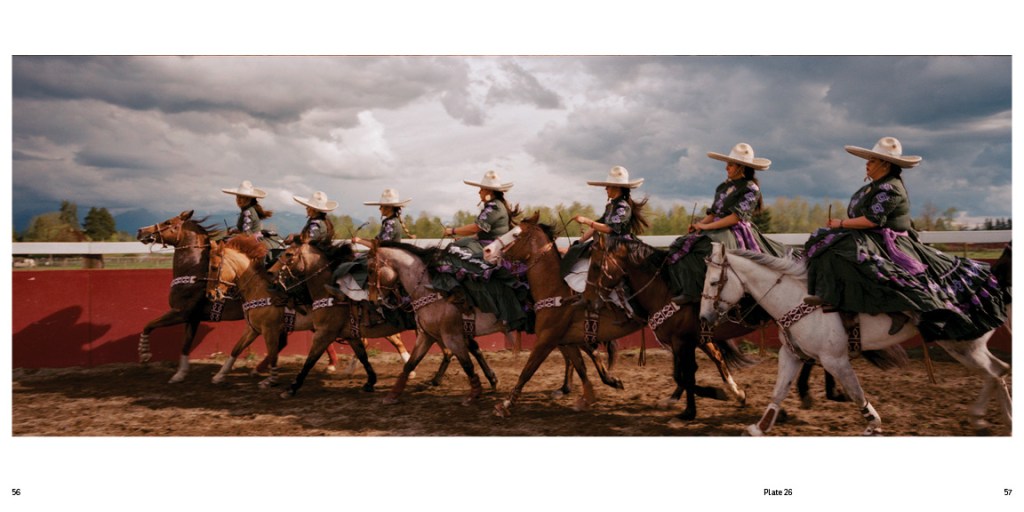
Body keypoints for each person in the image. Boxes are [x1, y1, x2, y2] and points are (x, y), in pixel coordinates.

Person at [803, 137, 1005, 340]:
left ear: (885, 164)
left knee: (840, 247)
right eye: (868, 160)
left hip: (887, 242)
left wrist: (841, 224)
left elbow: (873, 220)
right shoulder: (872, 187)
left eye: (872, 160)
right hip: (870, 237)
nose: (867, 164)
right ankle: (835, 296)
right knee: (823, 240)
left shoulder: (889, 188)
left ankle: (903, 308)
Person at [664, 143, 787, 303]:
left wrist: (705, 227)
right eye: (727, 164)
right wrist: (698, 225)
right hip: (717, 228)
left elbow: (735, 218)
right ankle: (686, 287)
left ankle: (696, 292)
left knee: (703, 246)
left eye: (730, 165)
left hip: (735, 231)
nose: (726, 168)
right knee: (680, 243)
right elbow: (714, 214)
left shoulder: (751, 188)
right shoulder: (723, 186)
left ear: (741, 167)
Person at [433, 170, 530, 335]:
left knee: (452, 252)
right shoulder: (495, 206)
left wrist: (452, 230)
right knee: (458, 247)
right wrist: (464, 238)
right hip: (486, 243)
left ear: (489, 191)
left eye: (482, 189)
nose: (479, 192)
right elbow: (482, 233)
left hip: (491, 248)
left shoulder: (493, 206)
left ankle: (460, 294)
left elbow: (477, 227)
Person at [562, 166, 649, 282]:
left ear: (616, 187)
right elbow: (596, 226)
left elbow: (609, 229)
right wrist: (578, 243)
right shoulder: (610, 206)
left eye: (608, 186)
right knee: (577, 249)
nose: (606, 188)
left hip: (621, 245)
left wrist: (586, 221)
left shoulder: (623, 207)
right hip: (611, 244)